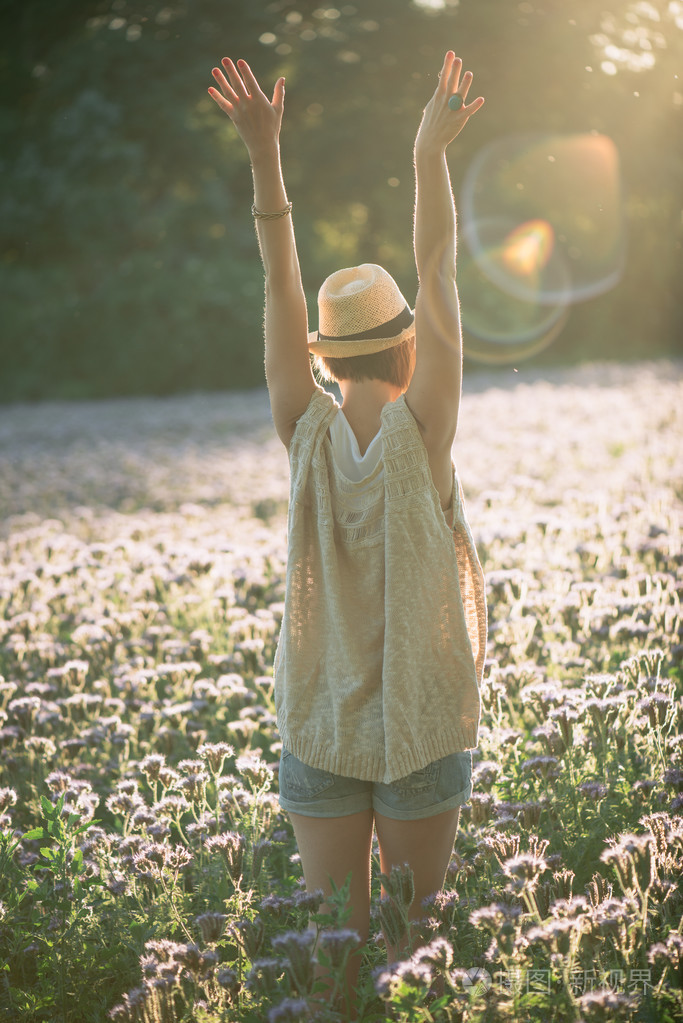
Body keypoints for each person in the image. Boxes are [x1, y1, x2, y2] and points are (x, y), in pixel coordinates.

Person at [208, 51, 487, 1016]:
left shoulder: (302, 428)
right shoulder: (429, 429)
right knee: (419, 959)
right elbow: (439, 268)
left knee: (329, 969)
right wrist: (426, 157)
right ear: (407, 348)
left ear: (324, 358)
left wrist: (265, 157)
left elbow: (278, 286)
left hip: (319, 721)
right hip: (418, 723)